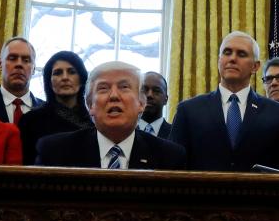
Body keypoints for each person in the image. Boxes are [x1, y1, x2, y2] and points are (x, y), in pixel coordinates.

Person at [169, 32, 279, 173]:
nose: (232, 59)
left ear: (255, 66)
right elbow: (173, 167)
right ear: (219, 60)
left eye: (241, 54)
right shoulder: (189, 110)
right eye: (227, 52)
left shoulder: (278, 114)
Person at [35, 61, 187, 169]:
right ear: (90, 105)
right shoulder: (54, 152)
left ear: (141, 103)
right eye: (103, 88)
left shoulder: (170, 157)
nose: (114, 95)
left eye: (124, 87)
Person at [17, 51, 90, 164]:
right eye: (58, 73)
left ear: (81, 80)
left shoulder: (94, 121)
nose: (65, 77)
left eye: (71, 72)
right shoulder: (30, 121)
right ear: (49, 82)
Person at [0, 36, 44, 123]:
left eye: (26, 60)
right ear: (0, 63)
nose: (19, 64)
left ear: (34, 68)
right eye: (12, 58)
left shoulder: (48, 111)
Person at [138, 70, 171, 139]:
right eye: (144, 90)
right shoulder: (125, 132)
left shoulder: (175, 133)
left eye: (156, 91)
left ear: (166, 99)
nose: (149, 95)